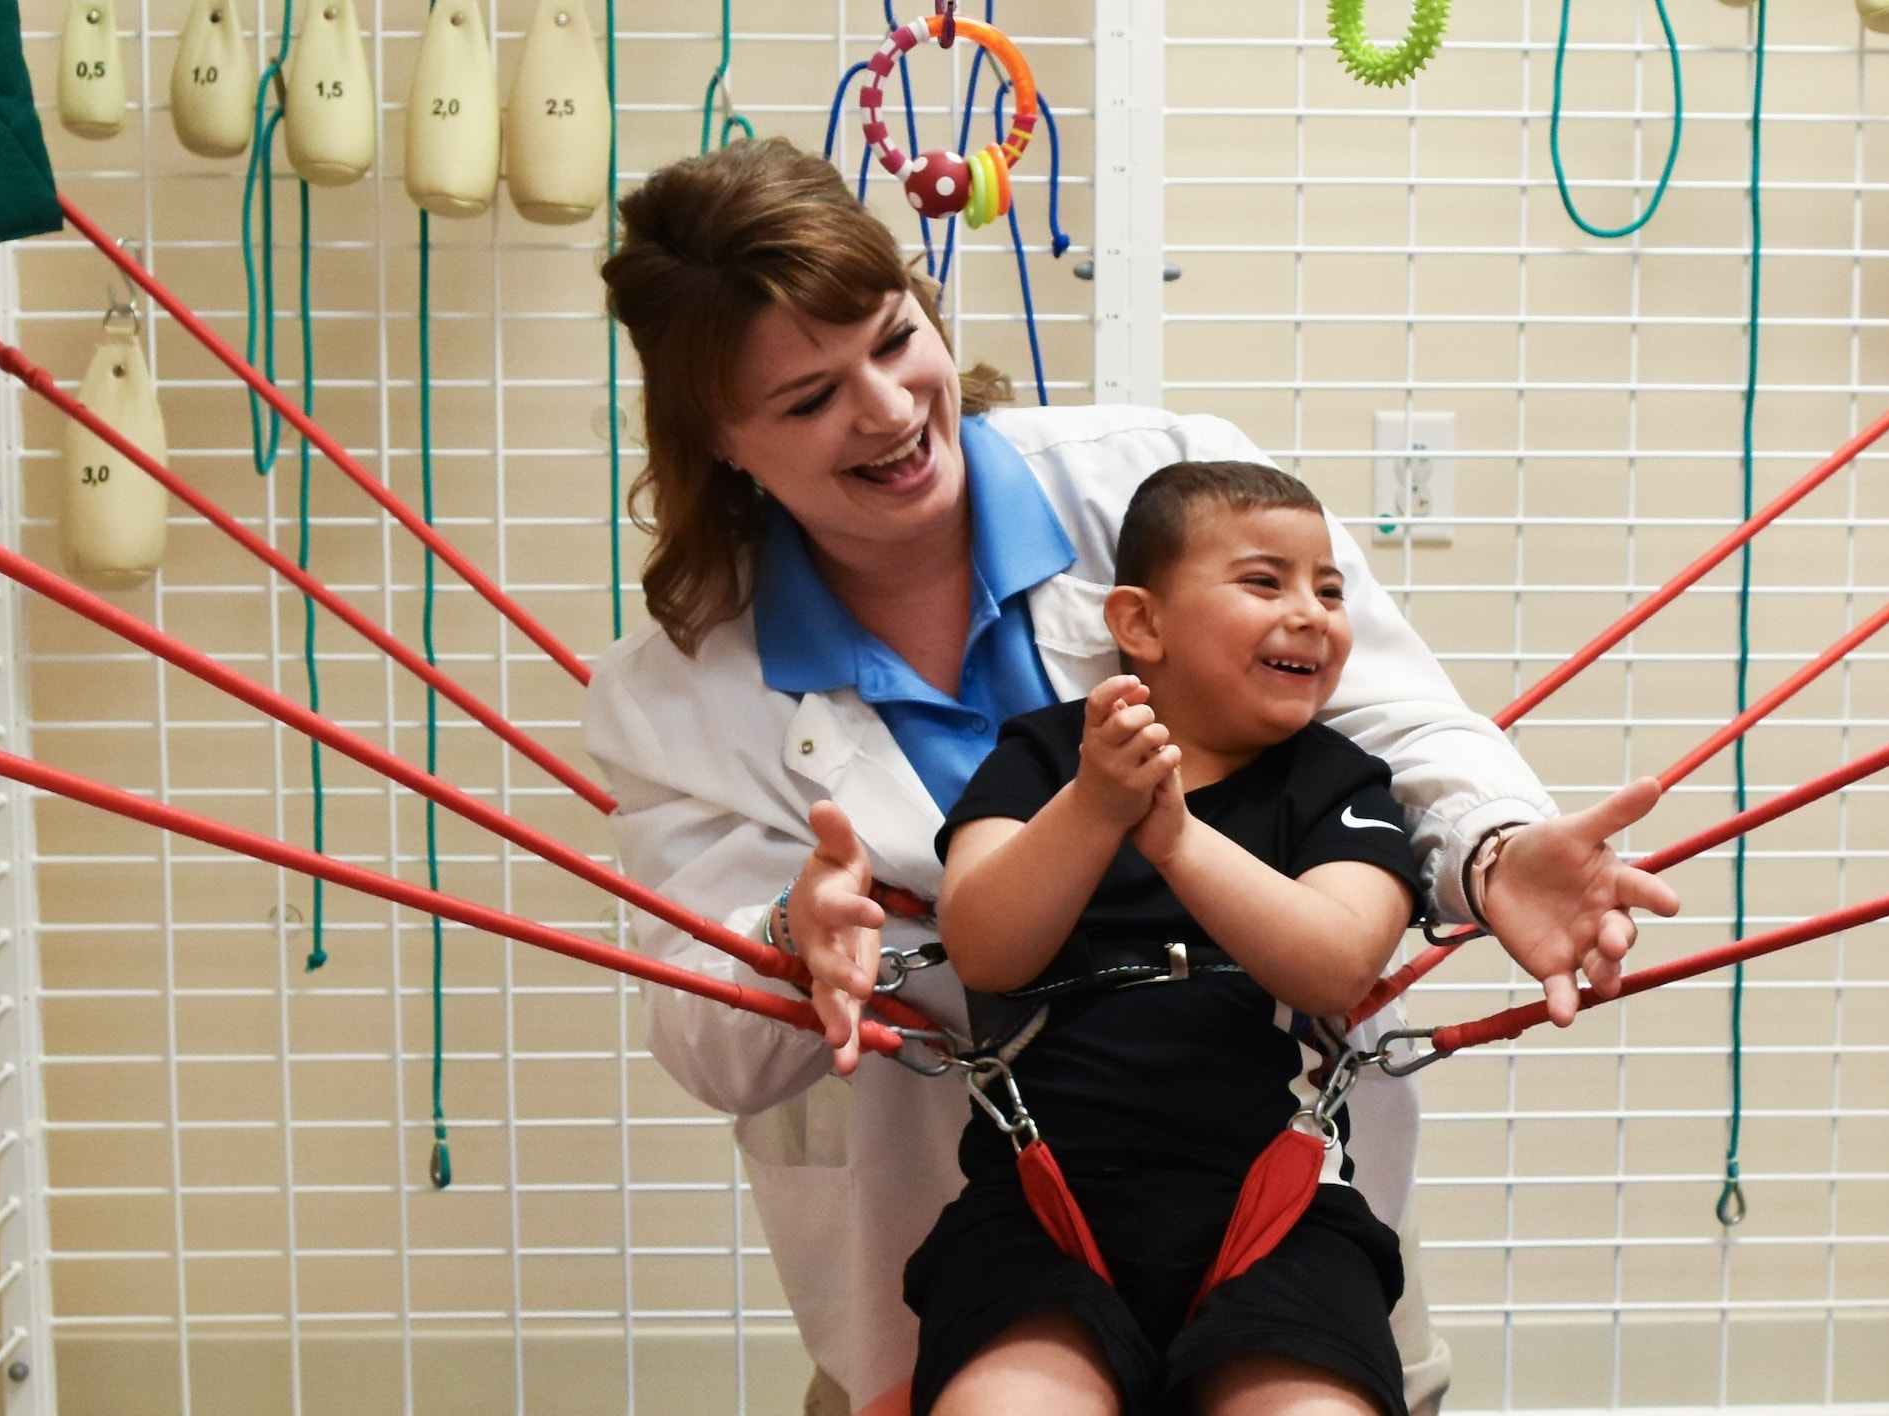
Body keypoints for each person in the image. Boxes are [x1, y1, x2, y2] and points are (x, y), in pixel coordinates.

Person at [585, 140, 1681, 1416]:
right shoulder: (674, 697)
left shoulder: (1163, 485)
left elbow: (1396, 734)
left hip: (1269, 1191)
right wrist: (782, 942)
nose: (886, 410)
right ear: (719, 438)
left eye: (894, 340)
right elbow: (709, 1032)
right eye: (809, 398)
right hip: (964, 1241)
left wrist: (1490, 853)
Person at [908, 463, 1422, 1416]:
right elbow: (982, 945)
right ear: (1141, 625)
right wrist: (1096, 804)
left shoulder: (1341, 782)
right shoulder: (1042, 755)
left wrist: (1179, 842)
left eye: (1331, 589)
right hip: (1041, 1205)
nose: (1311, 612)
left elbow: (1342, 960)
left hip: (1276, 1207)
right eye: (1265, 582)